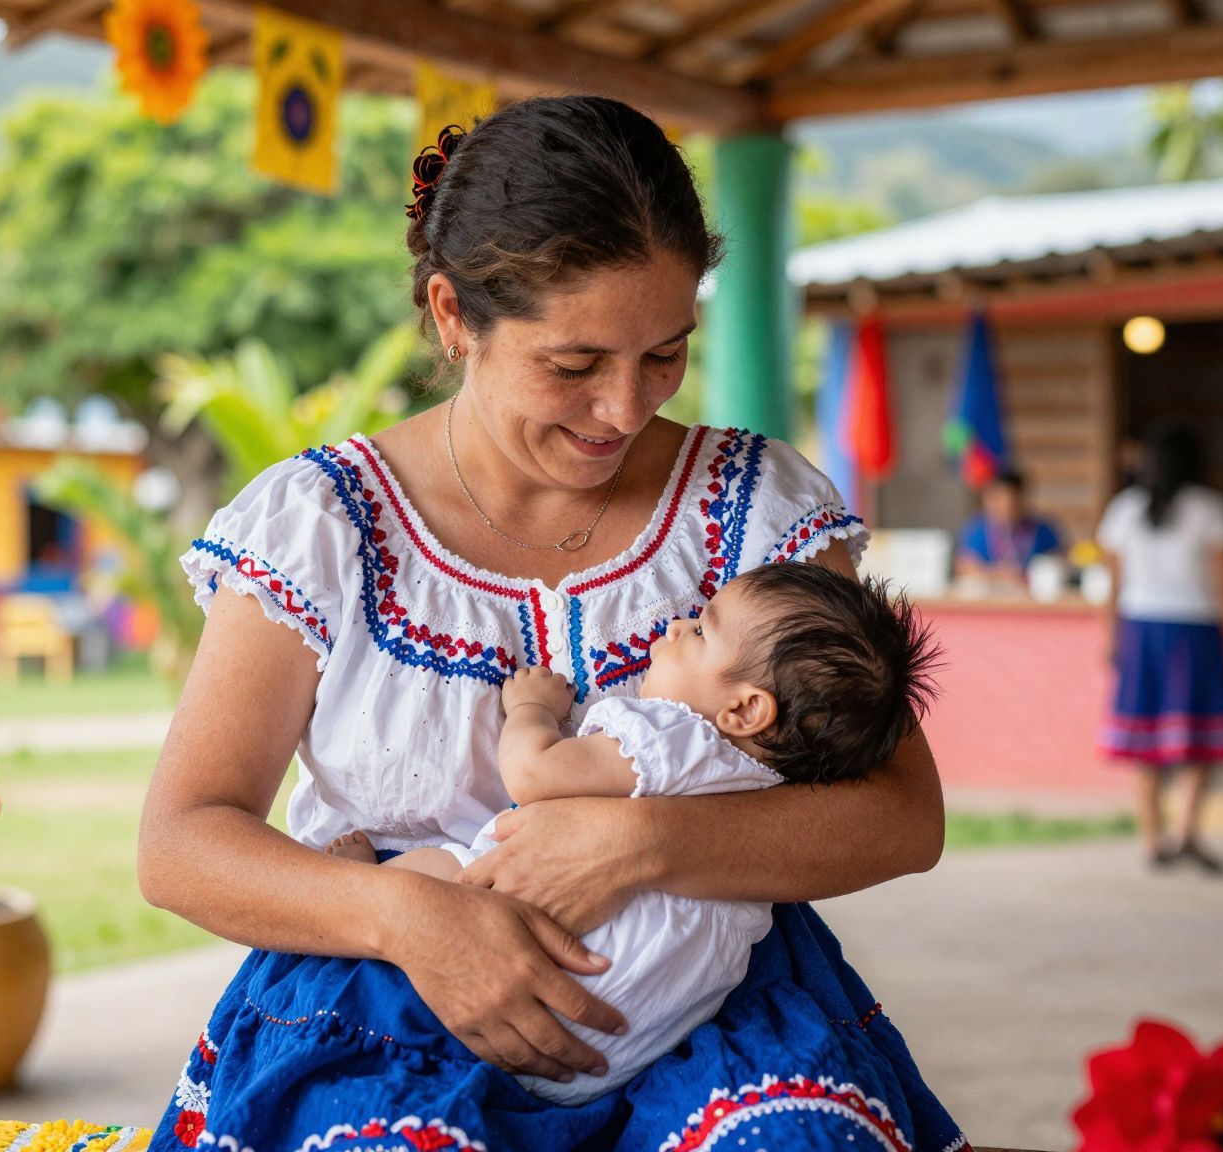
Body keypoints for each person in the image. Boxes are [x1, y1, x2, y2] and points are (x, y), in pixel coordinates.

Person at [138, 96, 964, 1151]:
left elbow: (900, 814)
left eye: (663, 354)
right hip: (386, 1006)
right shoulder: (320, 527)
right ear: (451, 316)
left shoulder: (758, 509)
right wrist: (411, 917)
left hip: (710, 1008)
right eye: (573, 366)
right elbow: (181, 842)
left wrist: (637, 842)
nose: (624, 409)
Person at [325, 563, 940, 1105]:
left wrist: (531, 711)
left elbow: (536, 773)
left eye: (700, 630)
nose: (675, 628)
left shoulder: (674, 740)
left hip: (524, 994)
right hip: (618, 1048)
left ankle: (365, 878)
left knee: (443, 870)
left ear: (747, 711)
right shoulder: (773, 785)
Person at [1095, 422, 1223, 873]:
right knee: (1199, 739)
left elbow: (1113, 587)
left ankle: (1151, 841)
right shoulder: (1213, 510)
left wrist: (1110, 637)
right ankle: (1186, 833)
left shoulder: (1123, 510)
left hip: (1142, 631)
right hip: (1196, 633)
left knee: (1146, 741)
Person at [954, 468, 1064, 583]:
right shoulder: (977, 530)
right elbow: (964, 566)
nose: (1006, 507)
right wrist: (998, 575)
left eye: (1013, 501)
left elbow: (1059, 562)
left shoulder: (1043, 531)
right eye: (998, 500)